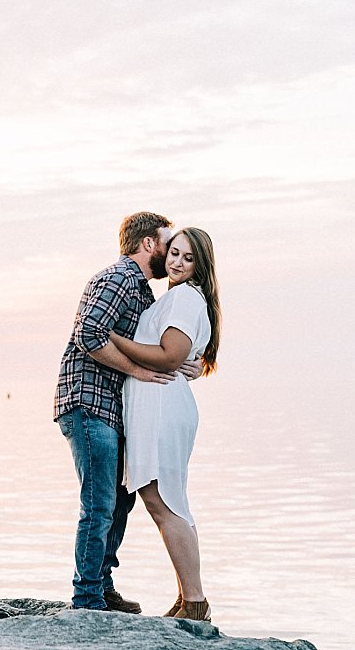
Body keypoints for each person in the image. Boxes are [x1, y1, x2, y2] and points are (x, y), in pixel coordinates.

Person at [53, 211, 179, 613]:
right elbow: (89, 333)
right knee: (100, 502)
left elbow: (150, 345)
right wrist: (137, 371)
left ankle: (101, 586)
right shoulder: (119, 278)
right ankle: (86, 599)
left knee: (120, 501)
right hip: (89, 403)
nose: (171, 249)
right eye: (166, 240)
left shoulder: (142, 291)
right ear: (148, 244)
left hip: (112, 410)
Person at [103, 227, 221, 622]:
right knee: (168, 502)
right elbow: (183, 357)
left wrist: (115, 339)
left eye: (189, 258)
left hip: (161, 407)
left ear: (200, 266)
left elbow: (170, 356)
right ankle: (188, 599)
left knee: (164, 502)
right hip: (158, 405)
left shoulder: (186, 297)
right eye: (175, 253)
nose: (177, 262)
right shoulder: (177, 297)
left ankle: (196, 603)